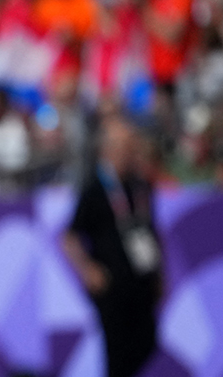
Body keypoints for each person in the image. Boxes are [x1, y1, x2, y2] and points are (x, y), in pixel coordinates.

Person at [62, 114, 164, 377]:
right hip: (112, 285)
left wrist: (160, 273)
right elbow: (70, 236)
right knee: (117, 353)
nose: (130, 152)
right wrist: (88, 269)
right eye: (125, 146)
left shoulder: (140, 186)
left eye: (133, 145)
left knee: (147, 344)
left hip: (141, 281)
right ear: (109, 150)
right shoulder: (95, 190)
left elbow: (150, 230)